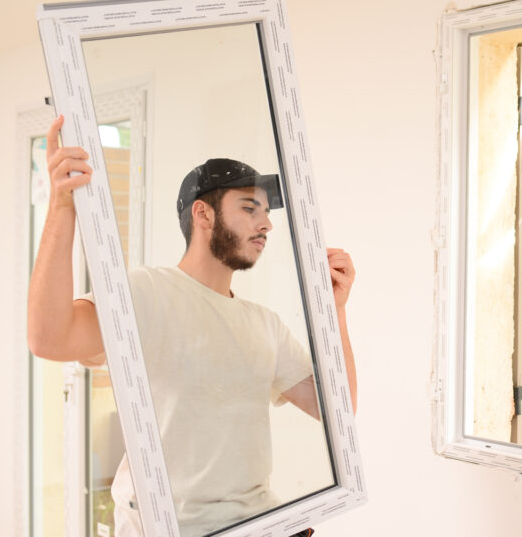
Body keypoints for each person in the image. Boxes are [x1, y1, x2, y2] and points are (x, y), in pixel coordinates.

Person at [28, 115, 357, 537]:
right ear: (203, 214)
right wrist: (62, 207)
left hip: (260, 524)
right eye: (249, 207)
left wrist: (337, 313)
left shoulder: (264, 325)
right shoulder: (146, 292)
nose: (266, 223)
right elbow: (49, 337)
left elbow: (338, 408)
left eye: (266, 212)